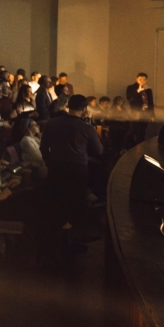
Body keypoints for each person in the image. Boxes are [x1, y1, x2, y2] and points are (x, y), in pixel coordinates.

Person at [40, 95, 103, 251]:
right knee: (74, 205)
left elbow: (43, 148)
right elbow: (98, 150)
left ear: (68, 106)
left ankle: (56, 242)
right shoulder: (86, 127)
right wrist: (89, 124)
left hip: (56, 168)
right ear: (84, 109)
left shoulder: (52, 123)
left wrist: (49, 162)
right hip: (77, 170)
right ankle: (70, 241)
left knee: (58, 204)